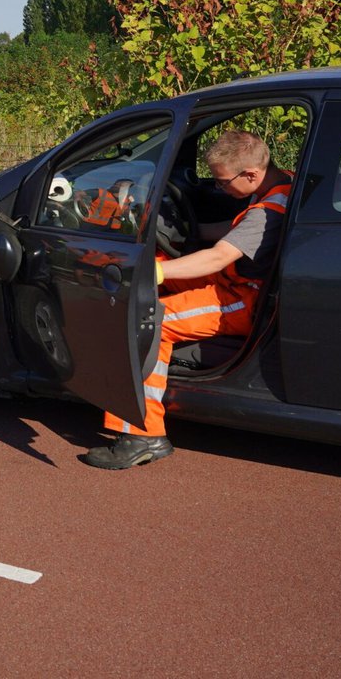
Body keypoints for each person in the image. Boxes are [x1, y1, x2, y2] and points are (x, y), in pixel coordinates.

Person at [85, 130, 294, 470]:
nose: (219, 188)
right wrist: (184, 229)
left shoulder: (267, 213)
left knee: (148, 324)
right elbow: (231, 230)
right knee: (160, 270)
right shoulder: (280, 183)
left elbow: (216, 258)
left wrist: (156, 273)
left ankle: (142, 434)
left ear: (251, 174)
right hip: (236, 279)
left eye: (222, 182)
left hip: (241, 299)